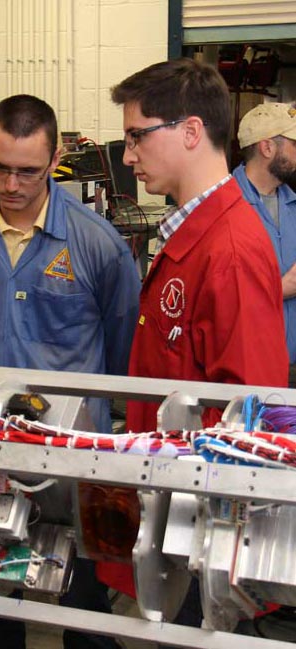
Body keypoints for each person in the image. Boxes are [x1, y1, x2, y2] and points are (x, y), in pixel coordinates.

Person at [0, 94, 141, 649]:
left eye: (27, 171)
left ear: (54, 161)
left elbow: (122, 345)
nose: (10, 184)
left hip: (76, 456)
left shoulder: (97, 245)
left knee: (85, 605)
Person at [107, 57, 289, 634]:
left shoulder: (228, 248)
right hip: (172, 506)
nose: (128, 154)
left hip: (200, 522)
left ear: (189, 131)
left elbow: (248, 417)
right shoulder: (193, 233)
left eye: (138, 135)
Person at [232, 102, 296, 366]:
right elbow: (212, 301)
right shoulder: (223, 209)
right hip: (249, 367)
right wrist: (279, 289)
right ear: (267, 147)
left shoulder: (292, 203)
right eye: (294, 145)